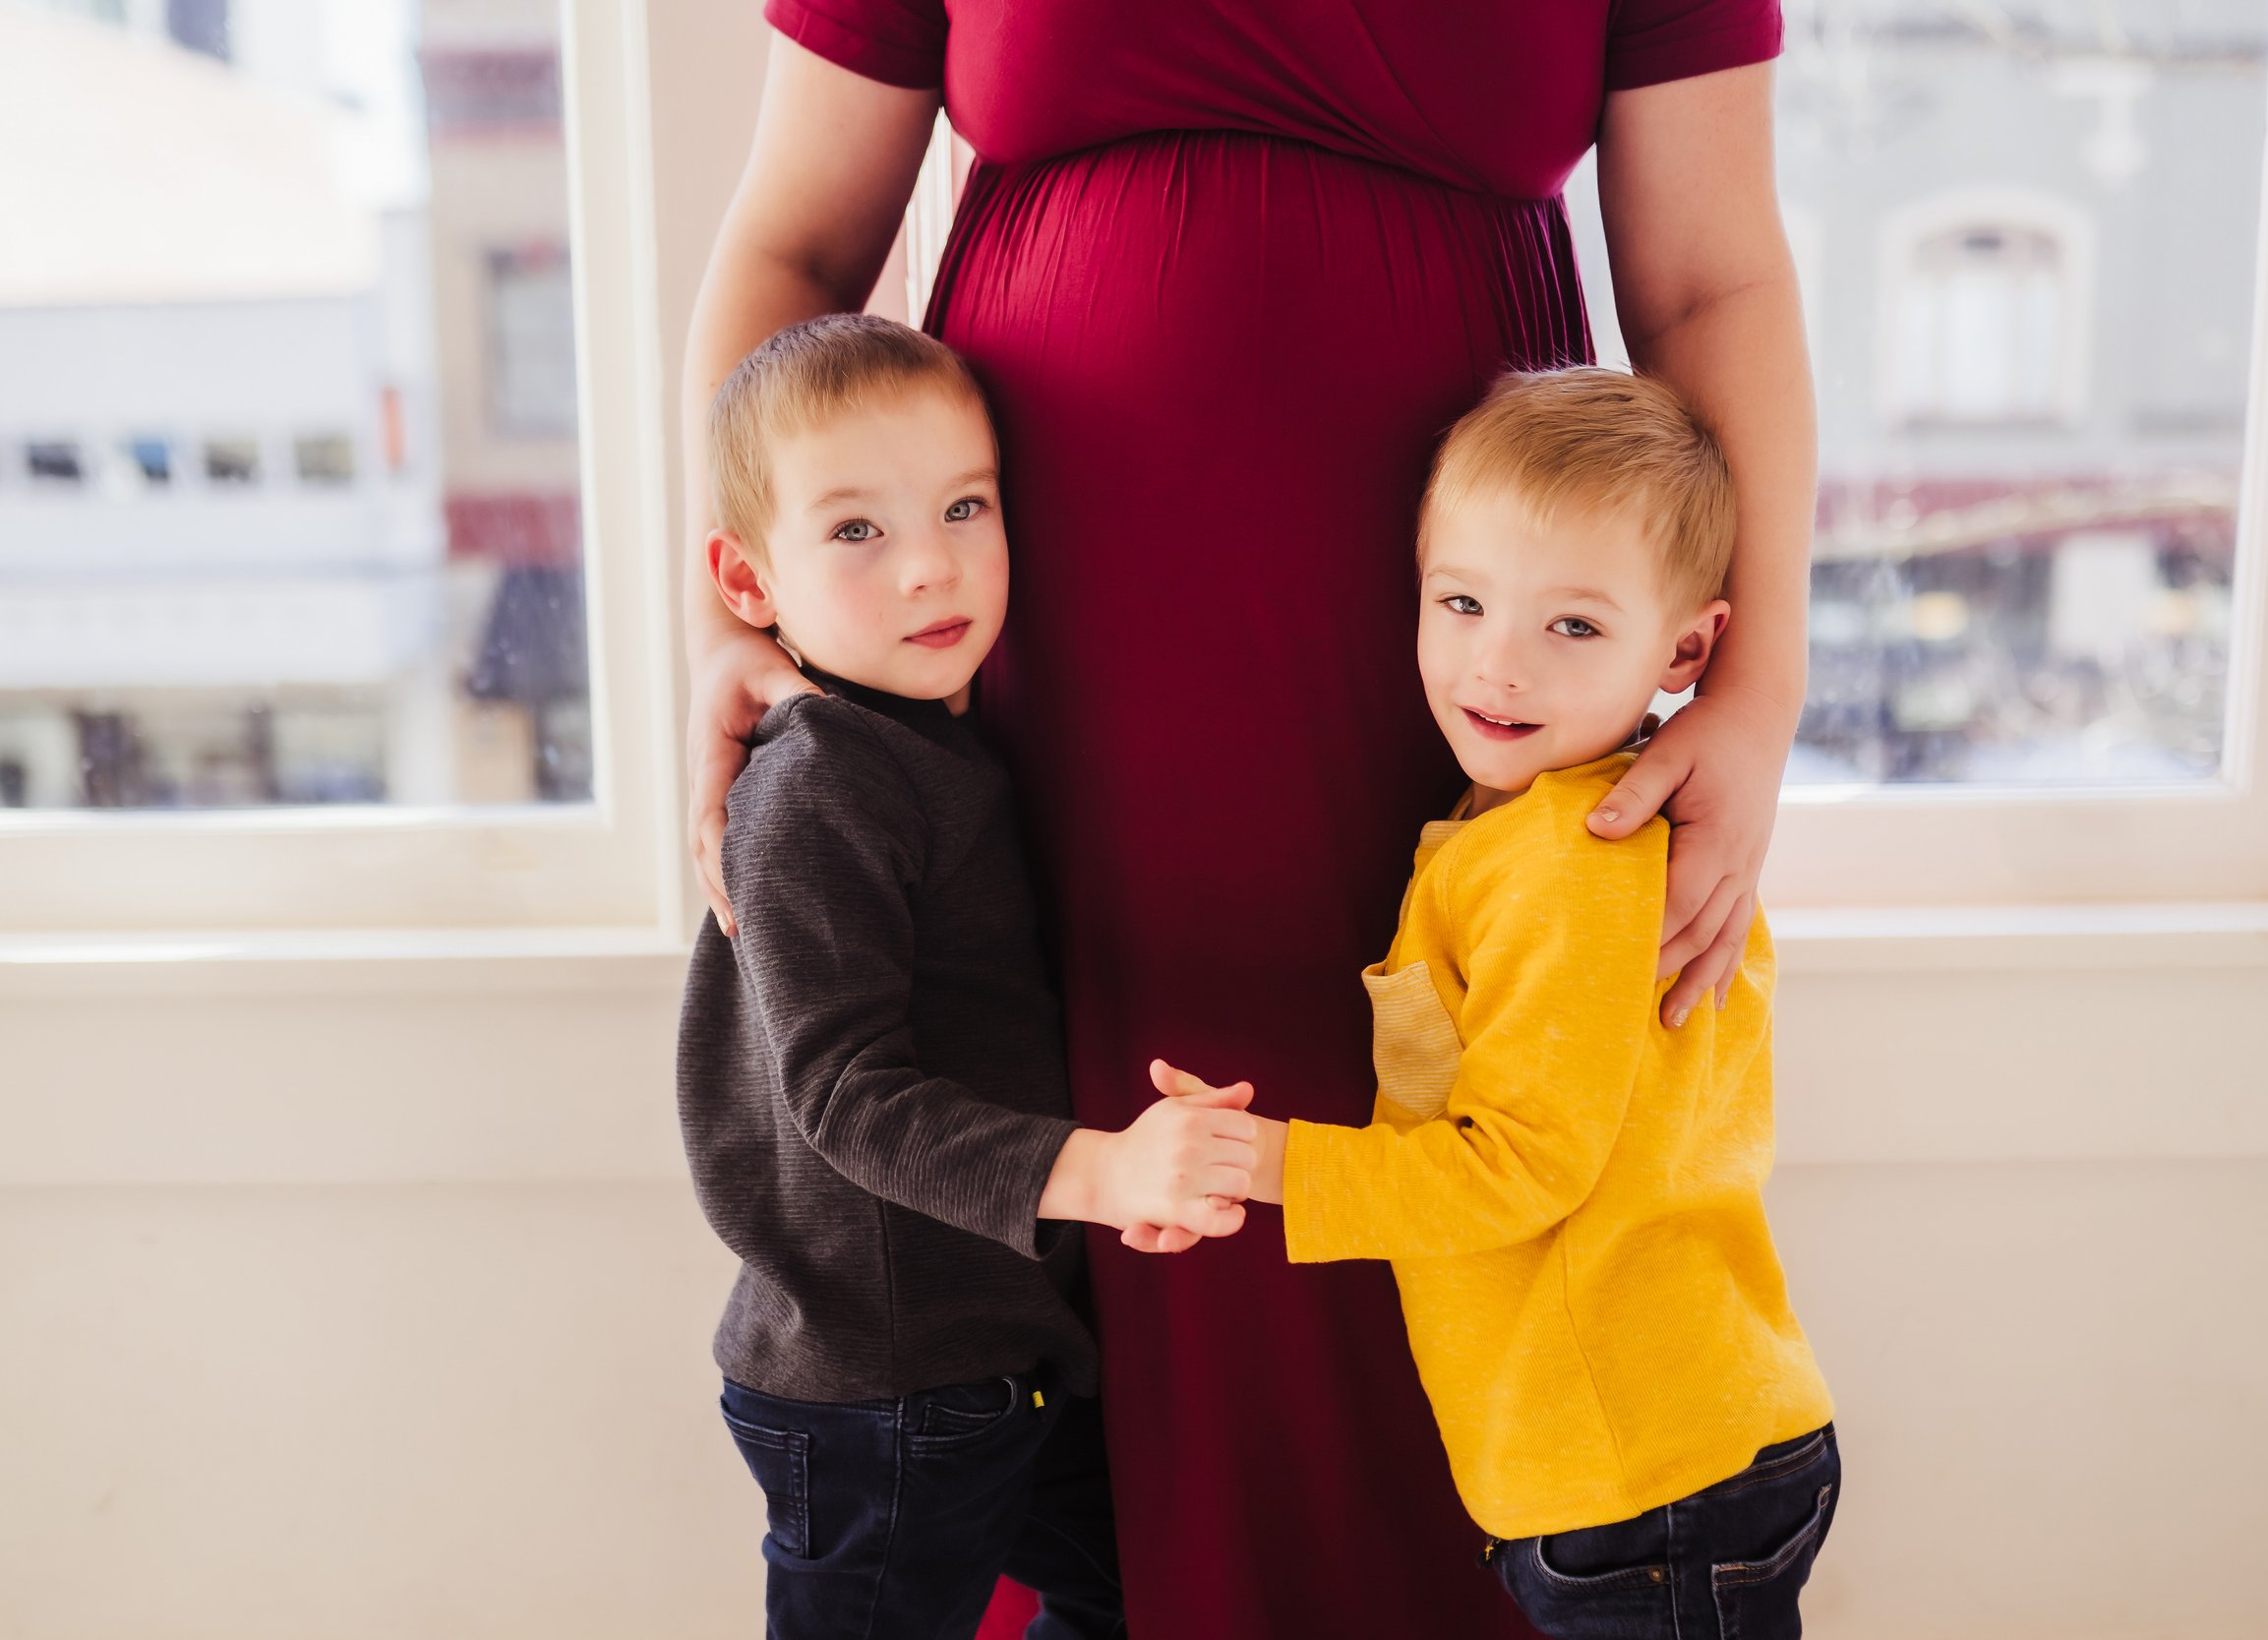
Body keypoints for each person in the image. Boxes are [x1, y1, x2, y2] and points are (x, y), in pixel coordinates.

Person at [680, 6, 1816, 1633]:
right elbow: (791, 243)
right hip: (1030, 658)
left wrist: (1757, 690)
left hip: (1448, 653)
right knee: (1089, 1199)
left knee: (1406, 1174)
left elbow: (1714, 278)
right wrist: (724, 620)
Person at [1157, 367, 1837, 1639]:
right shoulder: (1510, 836)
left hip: (1645, 1482)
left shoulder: (1576, 859)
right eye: (1461, 601)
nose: (1497, 664)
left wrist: (1277, 1166)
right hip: (1620, 1462)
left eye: (1572, 627)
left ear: (1686, 649)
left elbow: (1525, 1166)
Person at [675, 313, 1260, 1640]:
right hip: (884, 1383)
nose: (931, 567)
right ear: (748, 582)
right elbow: (842, 1094)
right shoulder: (819, 783)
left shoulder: (934, 744)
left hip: (991, 1349)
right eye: (857, 532)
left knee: (1134, 1594)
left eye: (963, 506)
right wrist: (1099, 1173)